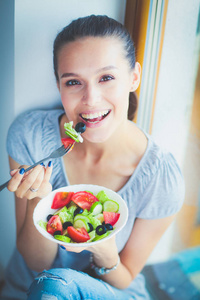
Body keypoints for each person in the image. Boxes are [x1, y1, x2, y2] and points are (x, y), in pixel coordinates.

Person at [0, 15, 185, 300]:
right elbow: (37, 265)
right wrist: (40, 201)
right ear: (59, 86)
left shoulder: (162, 179)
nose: (91, 99)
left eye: (107, 78)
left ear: (134, 77)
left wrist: (104, 249)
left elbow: (124, 279)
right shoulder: (30, 136)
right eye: (73, 82)